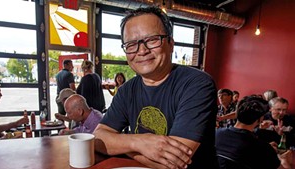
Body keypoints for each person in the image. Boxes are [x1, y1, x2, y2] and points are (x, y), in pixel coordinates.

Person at [94, 6, 218, 169]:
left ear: (171, 44)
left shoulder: (197, 84)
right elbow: (97, 138)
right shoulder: (126, 90)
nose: (142, 50)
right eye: (131, 44)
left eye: (152, 39)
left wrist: (122, 147)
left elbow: (172, 163)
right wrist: (139, 142)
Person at [216, 95, 293, 169]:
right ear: (260, 119)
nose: (282, 112)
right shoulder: (263, 149)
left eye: (284, 110)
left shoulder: (217, 134)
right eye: (278, 109)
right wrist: (284, 159)